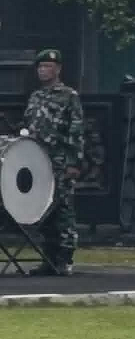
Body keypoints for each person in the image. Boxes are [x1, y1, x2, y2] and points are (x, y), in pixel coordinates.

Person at [22, 49, 84, 276]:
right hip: (38, 161)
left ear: (57, 69)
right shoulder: (36, 96)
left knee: (63, 209)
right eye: (40, 67)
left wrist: (73, 162)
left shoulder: (69, 96)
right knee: (43, 210)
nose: (43, 71)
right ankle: (48, 258)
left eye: (47, 67)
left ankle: (64, 257)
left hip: (60, 159)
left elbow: (75, 131)